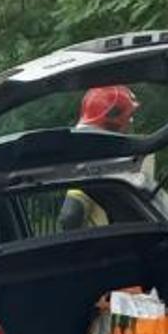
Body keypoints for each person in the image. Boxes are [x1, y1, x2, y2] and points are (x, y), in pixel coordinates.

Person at [59, 86, 140, 231]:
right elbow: (70, 215)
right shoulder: (96, 165)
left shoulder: (93, 162)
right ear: (115, 122)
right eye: (129, 116)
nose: (131, 122)